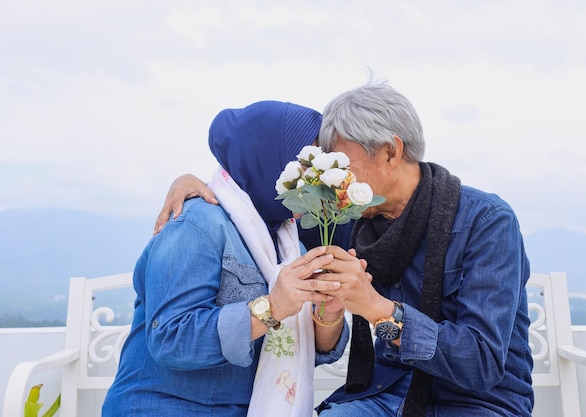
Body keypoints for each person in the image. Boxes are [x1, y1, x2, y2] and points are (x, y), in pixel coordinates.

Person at [154, 81, 534, 417]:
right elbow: (255, 196)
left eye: (342, 163)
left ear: (390, 152)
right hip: (380, 397)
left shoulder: (486, 222)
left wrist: (374, 307)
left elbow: (480, 363)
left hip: (475, 403)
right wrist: (192, 183)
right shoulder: (348, 220)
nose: (334, 180)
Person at [102, 100, 359, 417]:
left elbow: (318, 350)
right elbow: (171, 338)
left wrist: (328, 312)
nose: (316, 180)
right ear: (269, 160)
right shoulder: (196, 225)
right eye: (307, 166)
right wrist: (273, 307)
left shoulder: (289, 240)